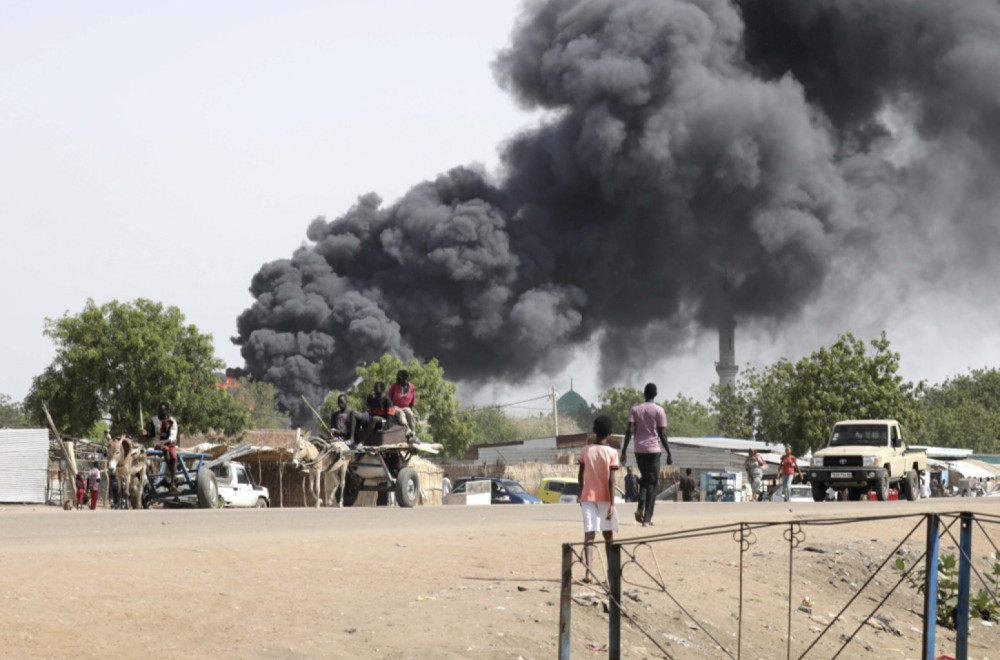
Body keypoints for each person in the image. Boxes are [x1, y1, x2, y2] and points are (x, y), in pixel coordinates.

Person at [619, 383, 672, 527]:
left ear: (644, 394)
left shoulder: (635, 409)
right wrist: (668, 452)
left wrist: (623, 451)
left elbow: (629, 431)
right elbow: (662, 434)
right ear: (655, 394)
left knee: (644, 480)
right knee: (652, 485)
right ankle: (647, 519)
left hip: (639, 450)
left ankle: (640, 508)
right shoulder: (659, 410)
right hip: (654, 451)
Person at [578, 415, 619, 583]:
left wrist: (581, 494)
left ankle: (588, 572)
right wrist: (612, 503)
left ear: (594, 431)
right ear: (610, 433)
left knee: (589, 534)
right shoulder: (611, 452)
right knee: (608, 536)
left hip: (587, 497)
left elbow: (580, 476)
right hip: (605, 498)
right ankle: (610, 572)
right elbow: (611, 480)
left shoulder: (585, 451)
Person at [148, 402, 179, 493]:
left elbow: (173, 436)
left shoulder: (172, 421)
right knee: (165, 449)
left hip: (170, 443)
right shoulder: (154, 420)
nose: (159, 413)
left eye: (162, 411)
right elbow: (152, 434)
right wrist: (146, 434)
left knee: (173, 455)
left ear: (166, 411)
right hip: (159, 444)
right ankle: (172, 476)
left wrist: (165, 441)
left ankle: (172, 484)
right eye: (158, 411)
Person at [356, 381, 396, 448]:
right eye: (374, 387)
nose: (374, 389)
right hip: (373, 419)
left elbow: (391, 415)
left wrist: (385, 427)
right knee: (356, 414)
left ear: (382, 388)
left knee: (375, 418)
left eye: (376, 387)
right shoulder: (374, 398)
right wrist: (369, 397)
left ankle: (363, 441)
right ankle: (355, 438)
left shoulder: (386, 399)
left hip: (383, 420)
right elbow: (368, 407)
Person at [387, 370, 418, 438]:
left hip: (406, 407)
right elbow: (388, 398)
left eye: (404, 379)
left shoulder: (412, 387)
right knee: (401, 414)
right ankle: (408, 431)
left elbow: (412, 401)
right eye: (400, 379)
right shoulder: (394, 386)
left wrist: (410, 409)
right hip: (395, 406)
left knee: (411, 415)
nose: (402, 380)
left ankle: (413, 433)